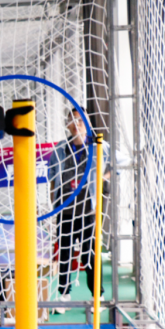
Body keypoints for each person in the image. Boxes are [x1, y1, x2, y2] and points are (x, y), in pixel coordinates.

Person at [48, 108, 111, 301]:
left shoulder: (98, 146)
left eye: (81, 120)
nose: (76, 124)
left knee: (89, 255)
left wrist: (101, 178)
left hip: (87, 211)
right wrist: (54, 200)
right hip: (65, 210)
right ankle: (64, 294)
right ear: (67, 124)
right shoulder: (60, 149)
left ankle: (97, 295)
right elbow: (52, 176)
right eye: (72, 120)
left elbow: (117, 163)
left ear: (88, 124)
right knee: (64, 254)